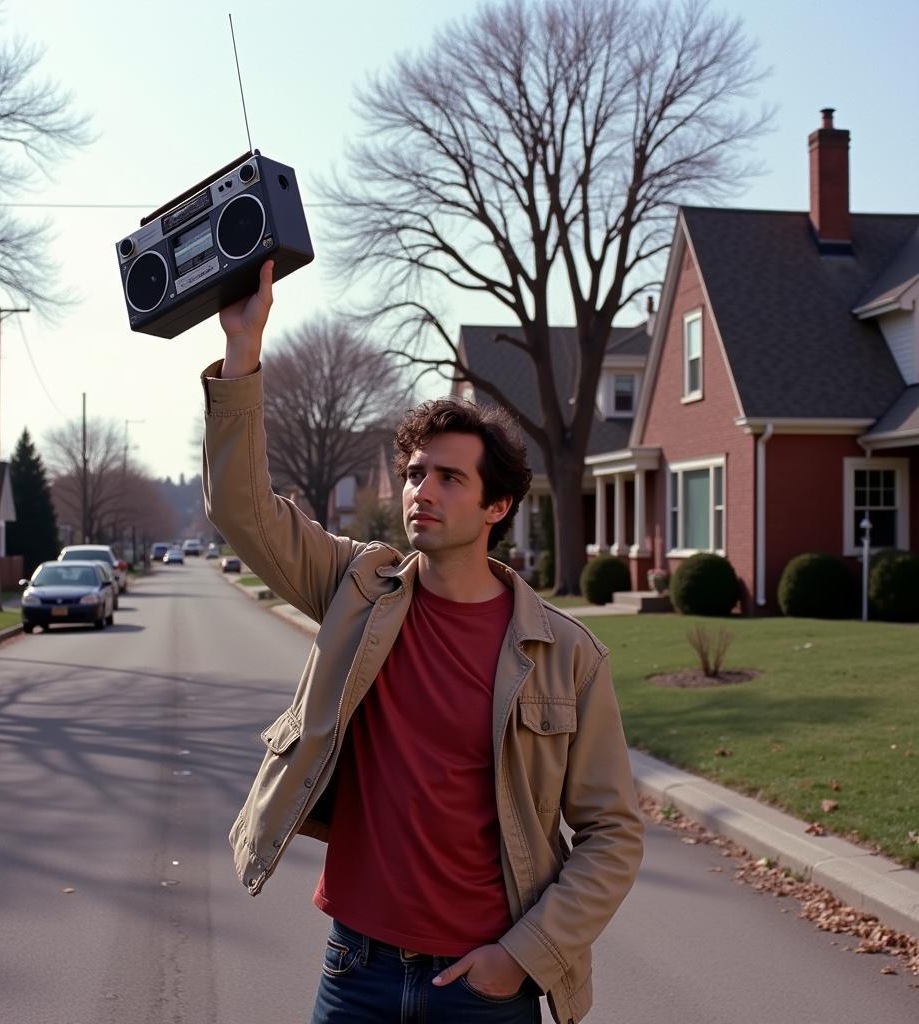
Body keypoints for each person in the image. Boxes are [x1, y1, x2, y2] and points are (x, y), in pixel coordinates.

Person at [200, 261, 644, 1024]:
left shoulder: (565, 657)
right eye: (413, 474)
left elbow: (613, 832)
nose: (420, 492)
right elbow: (244, 514)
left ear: (497, 505)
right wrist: (244, 352)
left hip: (484, 985)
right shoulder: (358, 590)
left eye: (448, 478)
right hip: (356, 969)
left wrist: (521, 958)